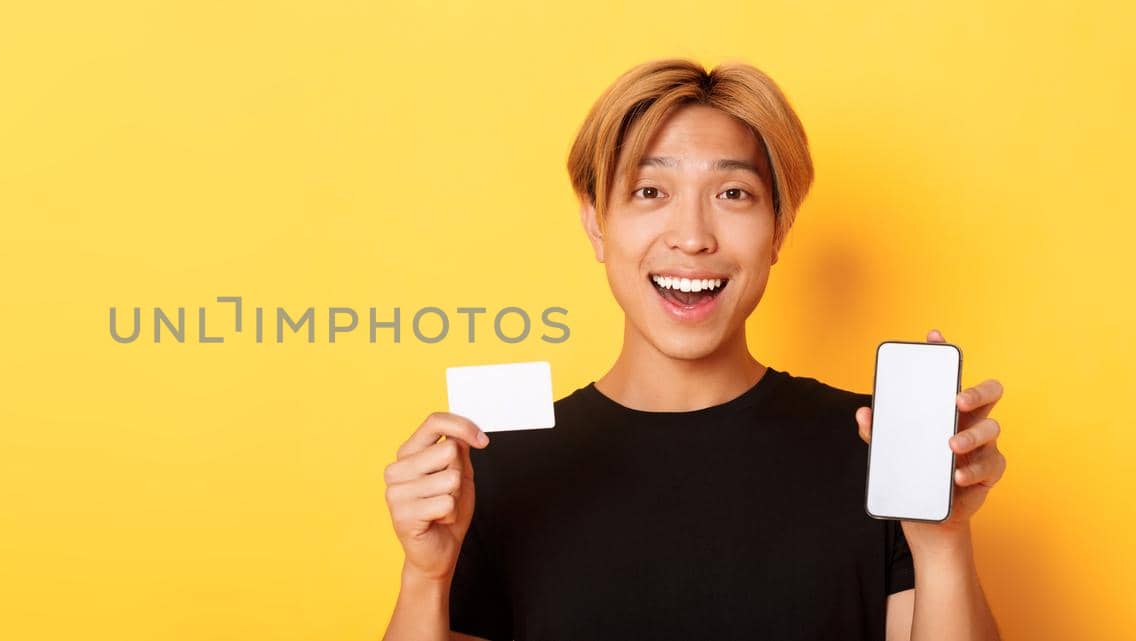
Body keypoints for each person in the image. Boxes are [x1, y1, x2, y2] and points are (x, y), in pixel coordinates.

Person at [379, 59, 1007, 641]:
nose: (691, 237)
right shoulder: (496, 462)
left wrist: (943, 543)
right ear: (596, 224)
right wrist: (426, 577)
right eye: (650, 192)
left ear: (779, 229)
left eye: (733, 194)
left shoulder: (878, 446)